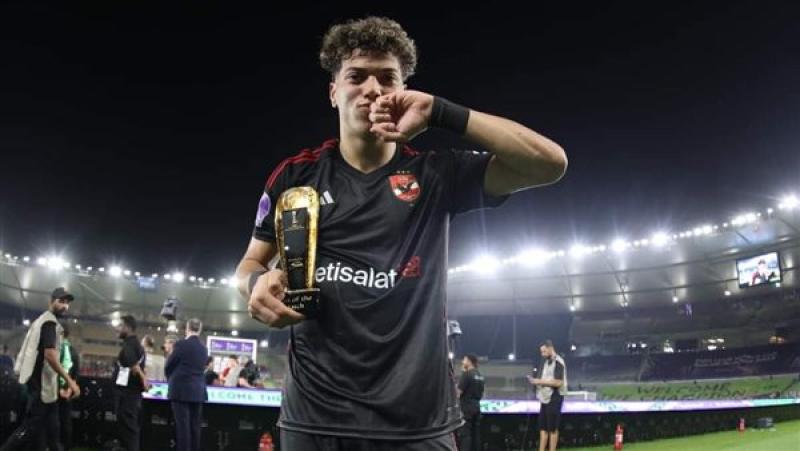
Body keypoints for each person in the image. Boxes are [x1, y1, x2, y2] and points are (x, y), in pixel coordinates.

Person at [236, 16, 566, 450]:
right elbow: (250, 264)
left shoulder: (436, 173)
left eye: (387, 78)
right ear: (333, 92)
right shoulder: (295, 177)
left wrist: (441, 112)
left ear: (404, 89)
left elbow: (549, 163)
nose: (372, 89)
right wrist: (255, 285)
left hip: (417, 426)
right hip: (315, 421)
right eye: (356, 76)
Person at [0, 287, 81, 451]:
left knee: (52, 431)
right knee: (30, 428)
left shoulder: (42, 321)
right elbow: (50, 356)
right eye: (61, 301)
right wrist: (70, 381)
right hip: (41, 386)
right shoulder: (49, 323)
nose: (65, 306)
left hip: (46, 387)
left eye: (67, 303)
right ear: (51, 301)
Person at [165, 318, 208, 451]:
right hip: (198, 391)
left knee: (183, 427)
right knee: (195, 427)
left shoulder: (181, 345)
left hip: (180, 391)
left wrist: (170, 378)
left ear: (187, 329)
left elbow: (169, 365)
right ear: (199, 330)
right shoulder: (204, 348)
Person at [111, 315, 150, 451]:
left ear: (127, 327)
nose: (117, 328)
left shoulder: (130, 344)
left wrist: (143, 379)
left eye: (120, 325)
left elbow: (133, 363)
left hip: (128, 395)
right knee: (128, 430)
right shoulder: (137, 345)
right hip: (131, 395)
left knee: (129, 430)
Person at [527, 340, 567, 451]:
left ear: (550, 348)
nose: (542, 354)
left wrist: (539, 381)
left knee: (552, 428)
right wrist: (536, 382)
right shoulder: (545, 362)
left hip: (555, 397)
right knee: (543, 427)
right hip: (545, 397)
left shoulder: (558, 362)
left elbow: (558, 382)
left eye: (544, 351)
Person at [58, 323, 80, 450]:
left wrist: (62, 389)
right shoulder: (74, 351)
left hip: (56, 391)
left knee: (54, 423)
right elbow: (76, 374)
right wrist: (70, 389)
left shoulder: (58, 349)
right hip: (67, 392)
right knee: (65, 422)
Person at [457, 354, 484, 451]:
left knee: (465, 434)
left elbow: (458, 393)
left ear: (469, 361)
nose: (462, 362)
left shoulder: (466, 374)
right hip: (477, 407)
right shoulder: (480, 376)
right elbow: (481, 393)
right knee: (475, 434)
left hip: (466, 408)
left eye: (464, 360)